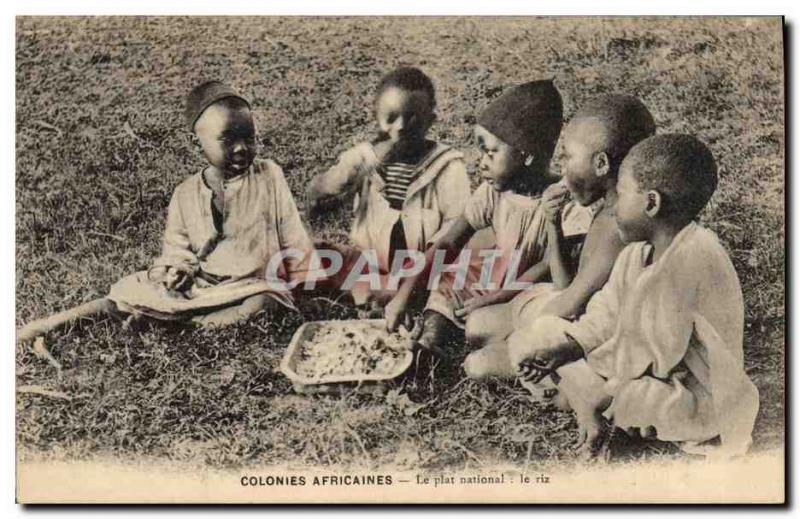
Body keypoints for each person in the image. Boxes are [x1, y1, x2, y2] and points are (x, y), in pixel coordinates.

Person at [509, 134, 760, 460]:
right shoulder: (636, 254)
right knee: (538, 334)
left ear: (651, 203)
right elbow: (605, 314)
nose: (612, 210)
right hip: (633, 366)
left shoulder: (694, 257)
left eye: (621, 196)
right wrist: (570, 345)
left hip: (690, 392)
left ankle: (590, 404)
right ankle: (587, 400)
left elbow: (657, 354)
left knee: (631, 396)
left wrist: (586, 369)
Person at [17, 81, 313, 343]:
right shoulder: (185, 194)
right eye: (227, 140)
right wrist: (177, 273)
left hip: (250, 286)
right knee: (126, 294)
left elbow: (292, 234)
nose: (241, 148)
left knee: (263, 304)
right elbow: (176, 252)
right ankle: (49, 325)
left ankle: (176, 327)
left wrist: (304, 283)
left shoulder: (269, 176)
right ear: (194, 143)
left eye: (249, 137)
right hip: (199, 287)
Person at [464, 95, 656, 381]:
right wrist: (553, 224)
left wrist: (523, 338)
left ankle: (570, 389)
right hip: (572, 311)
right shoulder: (605, 207)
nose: (562, 169)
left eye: (568, 157)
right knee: (476, 325)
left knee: (477, 364)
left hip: (588, 339)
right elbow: (566, 285)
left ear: (601, 164)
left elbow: (570, 307)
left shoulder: (618, 228)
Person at [385, 79, 575, 354]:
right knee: (447, 289)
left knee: (509, 323)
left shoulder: (559, 201)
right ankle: (429, 342)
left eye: (490, 152)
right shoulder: (492, 192)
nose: (481, 161)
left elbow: (546, 267)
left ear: (526, 156)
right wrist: (403, 295)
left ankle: (475, 342)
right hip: (494, 279)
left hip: (527, 292)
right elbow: (448, 243)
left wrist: (495, 298)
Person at [305, 67, 470, 312]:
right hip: (371, 266)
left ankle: (394, 297)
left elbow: (454, 231)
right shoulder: (364, 157)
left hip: (424, 272)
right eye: (391, 117)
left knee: (459, 273)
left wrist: (415, 276)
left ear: (430, 121)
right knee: (309, 252)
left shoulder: (447, 166)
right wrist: (346, 174)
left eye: (413, 117)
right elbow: (316, 197)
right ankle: (373, 293)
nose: (402, 126)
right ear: (377, 117)